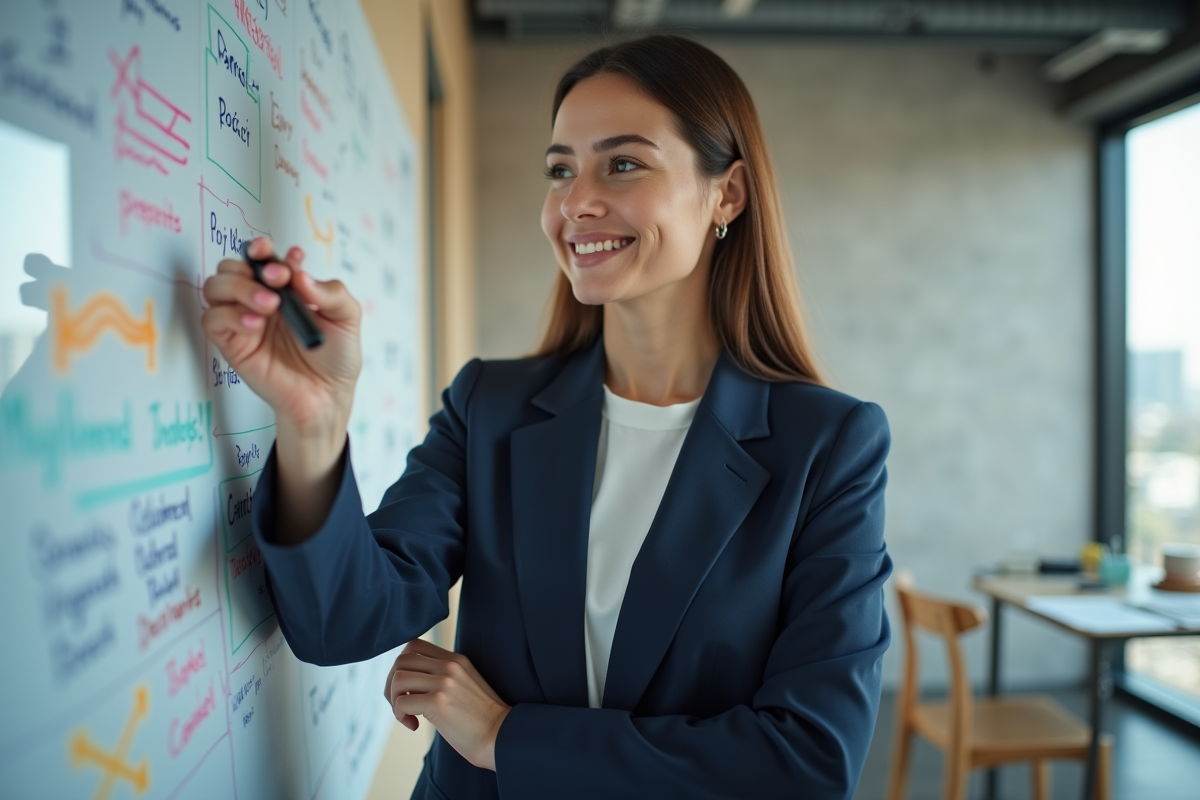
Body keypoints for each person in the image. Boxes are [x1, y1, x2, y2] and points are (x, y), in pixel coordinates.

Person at [202, 34, 891, 800]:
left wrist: (505, 737)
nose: (575, 202)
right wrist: (315, 422)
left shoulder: (829, 444)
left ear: (726, 194)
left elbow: (808, 763)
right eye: (561, 170)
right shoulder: (489, 407)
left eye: (622, 164)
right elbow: (344, 619)